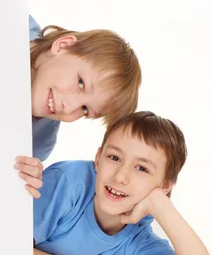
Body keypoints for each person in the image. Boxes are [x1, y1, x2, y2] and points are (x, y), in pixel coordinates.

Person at [32, 111, 212, 255]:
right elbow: (8, 250)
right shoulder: (68, 183)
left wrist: (161, 205)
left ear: (164, 185)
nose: (120, 177)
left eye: (142, 168)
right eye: (114, 158)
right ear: (98, 159)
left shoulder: (136, 241)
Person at [15, 15, 142, 199]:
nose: (68, 107)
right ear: (63, 45)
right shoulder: (11, 18)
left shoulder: (39, 141)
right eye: (81, 83)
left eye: (85, 110)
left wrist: (20, 178)